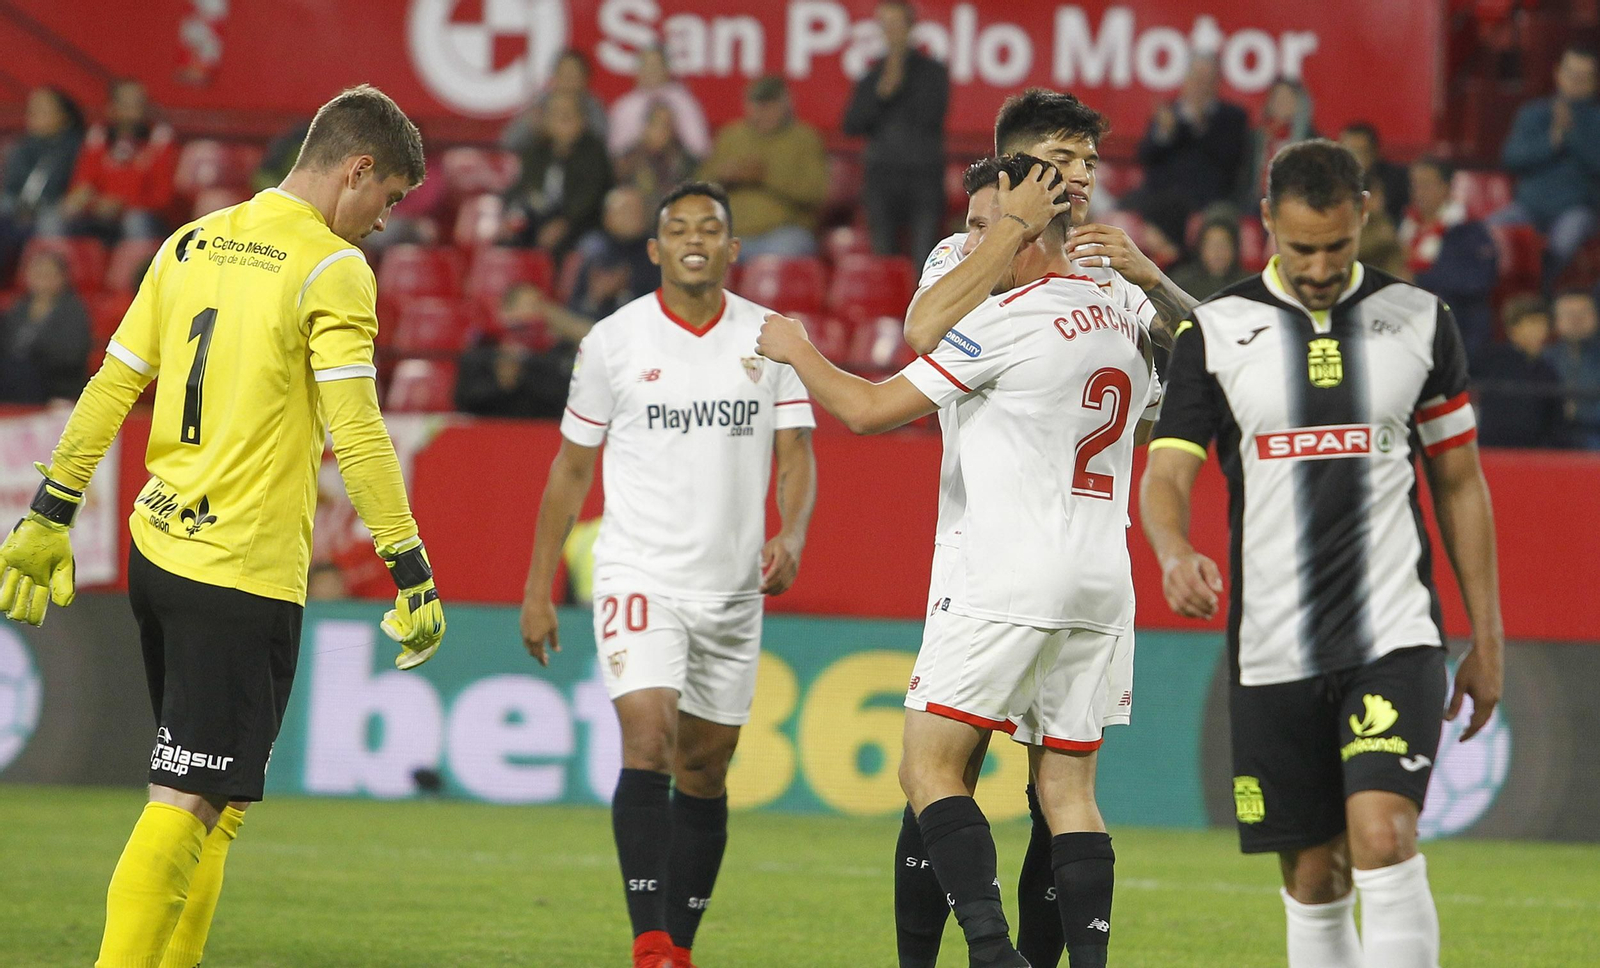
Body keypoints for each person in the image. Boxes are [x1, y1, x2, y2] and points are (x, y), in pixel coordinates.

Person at [0, 84, 448, 968]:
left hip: (159, 545)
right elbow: (357, 428)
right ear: (355, 168)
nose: (386, 222)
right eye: (389, 197)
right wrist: (408, 561)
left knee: (222, 794)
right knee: (186, 798)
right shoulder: (330, 266)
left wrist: (51, 509)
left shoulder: (191, 241)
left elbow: (112, 386)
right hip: (238, 567)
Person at [758, 152, 1159, 968]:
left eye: (987, 226)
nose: (970, 245)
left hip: (1009, 570)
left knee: (929, 766)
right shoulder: (1122, 314)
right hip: (1102, 579)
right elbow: (1145, 418)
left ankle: (990, 951)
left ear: (1028, 225)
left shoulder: (1006, 319)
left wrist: (796, 350)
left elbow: (870, 410)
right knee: (1069, 790)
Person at [1141, 139, 1504, 968]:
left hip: (1394, 633)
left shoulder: (1420, 319)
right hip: (1273, 647)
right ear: (1268, 221)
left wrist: (1488, 636)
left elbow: (1460, 483)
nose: (1317, 266)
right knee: (1312, 874)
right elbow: (1165, 476)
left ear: (1363, 217)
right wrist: (1171, 549)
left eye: (1336, 247)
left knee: (1383, 835)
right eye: (1300, 247)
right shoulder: (1215, 329)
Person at [899, 89, 1196, 968]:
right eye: (1061, 164)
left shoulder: (1110, 273)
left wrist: (1154, 280)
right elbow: (925, 333)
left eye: (1090, 166)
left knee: (1039, 788)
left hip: (1067, 550)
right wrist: (1013, 233)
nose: (1080, 181)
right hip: (977, 549)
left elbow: (1210, 367)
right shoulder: (967, 246)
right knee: (950, 771)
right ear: (1015, 166)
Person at [519, 182, 818, 968]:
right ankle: (649, 941)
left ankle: (678, 945)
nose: (694, 237)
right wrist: (537, 589)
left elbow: (796, 455)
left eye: (710, 227)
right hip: (638, 574)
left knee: (706, 766)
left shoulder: (774, 337)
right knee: (647, 738)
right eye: (678, 227)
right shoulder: (613, 343)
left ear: (732, 248)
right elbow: (569, 473)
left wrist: (793, 531)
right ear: (654, 250)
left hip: (731, 590)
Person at [841, 0, 950, 266]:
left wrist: (899, 76)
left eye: (896, 24)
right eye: (885, 25)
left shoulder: (933, 72)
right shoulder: (872, 76)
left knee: (925, 256)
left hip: (923, 177)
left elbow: (931, 116)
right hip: (881, 179)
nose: (891, 31)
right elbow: (852, 124)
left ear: (911, 27)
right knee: (883, 257)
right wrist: (882, 92)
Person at [1491, 44, 1600, 280]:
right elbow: (1511, 159)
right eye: (1571, 74)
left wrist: (1572, 135)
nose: (1576, 82)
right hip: (1529, 207)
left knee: (1565, 238)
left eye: (1584, 77)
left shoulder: (1597, 120)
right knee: (1488, 230)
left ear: (1594, 83)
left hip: (1577, 210)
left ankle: (1544, 294)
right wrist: (1553, 141)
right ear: (1558, 74)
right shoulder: (1533, 113)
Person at [697, 76, 829, 258]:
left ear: (786, 104)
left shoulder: (805, 139)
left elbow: (816, 193)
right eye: (758, 105)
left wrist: (765, 177)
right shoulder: (731, 136)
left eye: (770, 105)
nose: (764, 112)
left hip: (782, 233)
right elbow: (698, 188)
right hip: (731, 233)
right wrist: (722, 176)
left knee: (784, 251)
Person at [1133, 53, 1250, 245]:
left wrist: (1199, 126)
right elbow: (1146, 155)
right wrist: (1165, 133)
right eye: (1196, 78)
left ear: (1216, 83)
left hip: (1208, 199)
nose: (1200, 86)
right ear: (1186, 80)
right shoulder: (1168, 112)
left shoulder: (1232, 117)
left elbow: (1231, 161)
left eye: (1207, 80)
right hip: (1161, 198)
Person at [58, 79, 177, 245]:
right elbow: (83, 184)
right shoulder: (98, 137)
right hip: (98, 214)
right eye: (127, 105)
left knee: (136, 222)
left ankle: (143, 270)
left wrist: (122, 205)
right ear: (111, 108)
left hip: (143, 218)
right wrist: (88, 202)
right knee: (55, 219)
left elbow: (163, 199)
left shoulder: (160, 139)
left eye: (139, 104)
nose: (135, 112)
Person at [1401, 158, 1499, 358]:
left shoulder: (1468, 230)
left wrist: (1418, 279)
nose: (1418, 192)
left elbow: (1477, 280)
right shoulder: (1404, 227)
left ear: (1446, 187)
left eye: (1426, 184)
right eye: (1414, 185)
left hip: (1457, 327)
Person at [455, 282, 592, 419]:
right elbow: (463, 400)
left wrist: (523, 374)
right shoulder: (482, 350)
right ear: (505, 312)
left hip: (539, 432)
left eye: (538, 307)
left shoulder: (557, 354)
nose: (533, 314)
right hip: (486, 431)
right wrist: (499, 383)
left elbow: (563, 400)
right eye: (528, 306)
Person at [502, 91, 614, 259]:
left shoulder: (595, 152)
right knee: (506, 243)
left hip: (581, 226)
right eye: (556, 114)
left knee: (588, 248)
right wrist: (512, 213)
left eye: (568, 115)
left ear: (582, 120)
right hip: (538, 221)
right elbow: (521, 188)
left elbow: (590, 198)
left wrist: (564, 223)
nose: (562, 120)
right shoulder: (535, 151)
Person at [0, 87, 85, 281]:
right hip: (20, 206)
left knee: (51, 221)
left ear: (64, 116)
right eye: (31, 110)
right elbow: (11, 187)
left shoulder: (77, 147)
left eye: (42, 110)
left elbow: (78, 189)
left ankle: (47, 282)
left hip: (54, 207)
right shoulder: (22, 147)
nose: (33, 116)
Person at [1473, 295, 1570, 448]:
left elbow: (1555, 419)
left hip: (1535, 454)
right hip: (1493, 450)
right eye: (1531, 323)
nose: (1538, 330)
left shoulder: (1549, 371)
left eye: (1542, 323)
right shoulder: (1492, 361)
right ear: (1513, 329)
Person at [0, 250, 91, 403]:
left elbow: (72, 355)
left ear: (62, 277)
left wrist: (33, 357)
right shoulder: (18, 308)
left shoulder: (73, 310)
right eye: (37, 273)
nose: (41, 279)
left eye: (48, 274)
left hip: (54, 383)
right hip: (13, 379)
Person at [569, 186, 660, 318]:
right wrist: (594, 297)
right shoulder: (592, 250)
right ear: (607, 216)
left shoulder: (656, 251)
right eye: (626, 211)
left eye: (639, 210)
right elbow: (573, 308)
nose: (634, 216)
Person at [501, 48, 609, 156]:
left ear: (585, 78)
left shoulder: (593, 107)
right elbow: (510, 142)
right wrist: (535, 126)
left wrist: (574, 128)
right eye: (564, 74)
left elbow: (601, 140)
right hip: (541, 163)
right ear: (554, 77)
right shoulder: (540, 104)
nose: (569, 80)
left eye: (574, 74)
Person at [607, 46, 711, 158]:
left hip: (677, 167)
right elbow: (615, 152)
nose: (651, 71)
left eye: (656, 66)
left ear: (666, 69)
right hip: (635, 166)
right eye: (646, 65)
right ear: (637, 71)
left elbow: (699, 148)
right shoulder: (624, 106)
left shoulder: (683, 101)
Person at [614, 102, 700, 213]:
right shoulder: (629, 159)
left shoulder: (686, 160)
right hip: (638, 219)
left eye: (666, 125)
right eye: (656, 123)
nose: (661, 130)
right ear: (646, 126)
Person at [1244, 79, 1316, 206]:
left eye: (1287, 98)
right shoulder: (1256, 137)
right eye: (1276, 97)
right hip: (1255, 205)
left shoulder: (1312, 142)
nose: (1281, 103)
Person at [1544, 288, 1600, 448]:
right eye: (1569, 314)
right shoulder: (1545, 359)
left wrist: (1578, 411)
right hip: (1553, 440)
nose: (1576, 320)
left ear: (1595, 316)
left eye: (1583, 313)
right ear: (1556, 320)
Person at [1170, 213, 1252, 302]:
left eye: (1223, 245)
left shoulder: (1248, 286)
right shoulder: (1181, 284)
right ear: (1201, 248)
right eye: (1212, 245)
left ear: (1234, 248)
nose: (1217, 252)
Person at [1339, 122, 1408, 224]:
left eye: (1359, 152)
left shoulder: (1395, 180)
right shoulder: (1332, 179)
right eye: (1346, 152)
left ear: (1374, 153)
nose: (1352, 159)